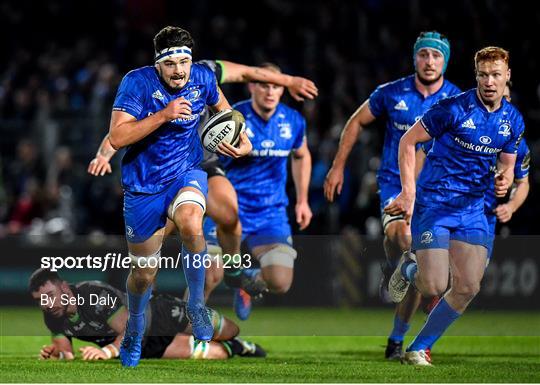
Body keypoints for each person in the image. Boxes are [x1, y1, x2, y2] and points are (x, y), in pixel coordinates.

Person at [88, 60, 318, 302]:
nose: (178, 69)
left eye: (183, 59)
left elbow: (249, 73)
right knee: (155, 251)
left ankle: (234, 271)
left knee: (230, 215)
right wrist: (103, 154)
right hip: (160, 172)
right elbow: (122, 128)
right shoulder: (144, 86)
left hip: (202, 166)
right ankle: (146, 303)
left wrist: (290, 81)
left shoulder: (205, 72)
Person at [107, 26, 252, 367]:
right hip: (143, 187)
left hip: (185, 174)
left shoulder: (202, 77)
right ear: (158, 64)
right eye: (170, 62)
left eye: (184, 60)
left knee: (191, 221)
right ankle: (135, 328)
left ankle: (197, 305)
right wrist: (163, 114)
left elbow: (228, 114)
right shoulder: (137, 82)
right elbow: (117, 137)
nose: (179, 69)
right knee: (143, 275)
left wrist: (243, 139)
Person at [323, 31, 461, 359]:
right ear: (415, 58)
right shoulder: (392, 92)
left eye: (436, 56)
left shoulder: (456, 99)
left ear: (445, 61)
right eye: (424, 54)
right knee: (402, 238)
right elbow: (356, 122)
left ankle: (396, 339)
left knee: (415, 263)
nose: (429, 61)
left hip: (435, 191)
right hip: (395, 185)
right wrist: (338, 166)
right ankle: (397, 267)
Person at [385, 46, 524, 366]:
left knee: (468, 286)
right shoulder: (453, 109)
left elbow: (507, 165)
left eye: (496, 75)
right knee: (434, 284)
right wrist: (408, 193)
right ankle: (409, 266)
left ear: (508, 77)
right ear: (476, 76)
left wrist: (504, 181)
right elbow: (409, 141)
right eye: (483, 75)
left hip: (473, 209)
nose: (489, 81)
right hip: (435, 202)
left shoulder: (513, 120)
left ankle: (418, 348)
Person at [210, 62, 312, 320]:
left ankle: (247, 283)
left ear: (282, 90)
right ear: (251, 86)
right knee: (209, 273)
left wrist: (302, 201)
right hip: (230, 208)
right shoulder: (233, 118)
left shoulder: (293, 120)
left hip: (270, 212)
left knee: (280, 282)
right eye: (264, 85)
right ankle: (186, 331)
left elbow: (301, 155)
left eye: (276, 86)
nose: (270, 91)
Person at [29, 269, 265, 361]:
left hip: (159, 314)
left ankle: (238, 284)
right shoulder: (52, 315)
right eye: (41, 300)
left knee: (230, 330)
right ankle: (240, 348)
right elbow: (66, 352)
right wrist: (56, 354)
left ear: (65, 288)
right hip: (144, 343)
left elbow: (132, 327)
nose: (47, 304)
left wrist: (107, 351)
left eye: (50, 294)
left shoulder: (94, 295)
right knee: (211, 353)